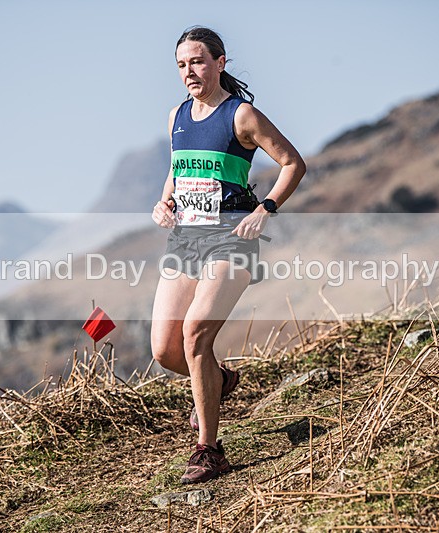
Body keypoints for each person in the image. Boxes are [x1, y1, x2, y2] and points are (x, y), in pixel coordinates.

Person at [150, 26, 306, 484]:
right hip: (186, 241)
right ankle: (219, 381)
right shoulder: (177, 115)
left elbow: (293, 163)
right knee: (164, 350)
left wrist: (266, 208)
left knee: (196, 334)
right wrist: (165, 202)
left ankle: (209, 451)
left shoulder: (242, 116)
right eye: (181, 65)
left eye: (197, 62)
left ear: (220, 62)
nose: (189, 72)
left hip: (232, 238)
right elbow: (177, 170)